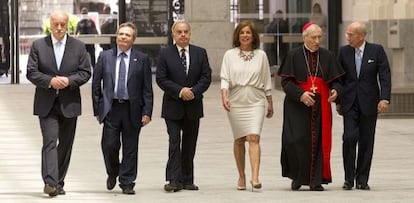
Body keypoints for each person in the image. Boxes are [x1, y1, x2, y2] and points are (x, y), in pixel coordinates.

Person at [26, 10, 91, 197]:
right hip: (46, 103)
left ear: (68, 25)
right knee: (50, 142)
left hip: (69, 102)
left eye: (63, 24)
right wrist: (50, 81)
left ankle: (58, 181)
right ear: (50, 25)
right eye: (56, 24)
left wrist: (69, 81)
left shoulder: (78, 46)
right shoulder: (39, 45)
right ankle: (50, 182)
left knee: (65, 144)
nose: (60, 28)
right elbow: (31, 72)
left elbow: (86, 72)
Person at [277, 22, 344, 191]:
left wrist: (335, 91)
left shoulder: (328, 56)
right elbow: (285, 81)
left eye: (319, 37)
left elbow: (336, 80)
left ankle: (316, 180)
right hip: (297, 105)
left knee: (319, 141)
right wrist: (301, 94)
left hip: (321, 105)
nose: (317, 40)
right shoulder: (293, 55)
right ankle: (298, 177)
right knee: (296, 140)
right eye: (313, 37)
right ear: (304, 37)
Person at [92, 22, 153, 195]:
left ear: (133, 39)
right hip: (111, 108)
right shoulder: (105, 57)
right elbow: (96, 85)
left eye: (127, 35)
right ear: (116, 37)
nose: (123, 37)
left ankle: (127, 182)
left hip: (132, 109)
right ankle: (113, 172)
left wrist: (147, 112)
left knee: (130, 147)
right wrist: (97, 109)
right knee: (109, 145)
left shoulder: (141, 59)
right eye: (121, 34)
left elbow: (147, 89)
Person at [156, 20, 212, 192]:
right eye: (179, 32)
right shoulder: (165, 54)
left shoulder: (200, 53)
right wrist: (180, 91)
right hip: (173, 106)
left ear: (190, 33)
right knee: (174, 141)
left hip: (193, 106)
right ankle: (174, 179)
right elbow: (161, 78)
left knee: (189, 143)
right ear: (173, 35)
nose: (183, 35)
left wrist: (193, 91)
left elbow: (206, 77)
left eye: (186, 31)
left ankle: (187, 179)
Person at [337, 21, 391, 190]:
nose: (348, 37)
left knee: (367, 142)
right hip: (349, 103)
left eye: (351, 35)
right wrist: (338, 100)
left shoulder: (376, 50)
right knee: (349, 137)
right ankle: (348, 178)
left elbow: (385, 76)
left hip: (369, 103)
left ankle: (362, 179)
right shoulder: (343, 52)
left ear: (361, 36)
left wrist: (384, 99)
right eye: (347, 34)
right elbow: (339, 79)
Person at [220, 20, 274, 191]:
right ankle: (242, 176)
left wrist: (270, 102)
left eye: (248, 32)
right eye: (242, 32)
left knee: (254, 137)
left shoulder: (261, 55)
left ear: (253, 36)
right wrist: (224, 96)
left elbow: (266, 80)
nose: (245, 35)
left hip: (256, 99)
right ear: (238, 35)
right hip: (236, 99)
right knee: (239, 139)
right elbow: (224, 78)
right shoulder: (229, 55)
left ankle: (255, 177)